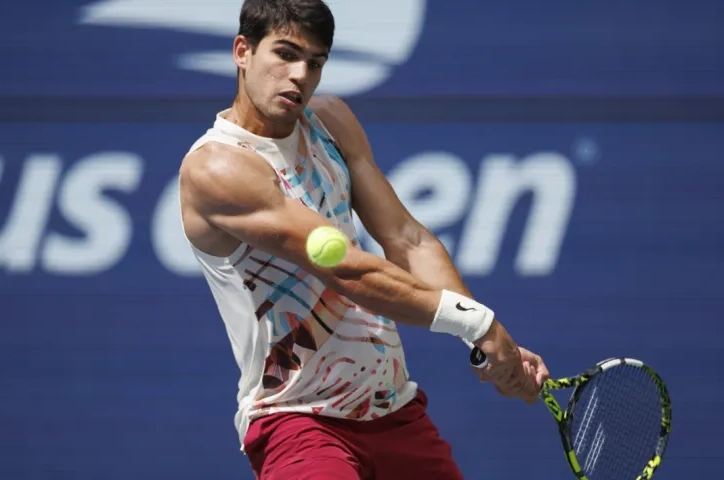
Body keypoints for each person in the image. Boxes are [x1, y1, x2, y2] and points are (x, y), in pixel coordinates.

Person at [177, 1, 551, 478]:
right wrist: (477, 323)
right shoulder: (218, 167)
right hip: (298, 420)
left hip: (394, 410)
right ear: (242, 51)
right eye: (285, 54)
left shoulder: (331, 120)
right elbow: (348, 270)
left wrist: (491, 352)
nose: (300, 76)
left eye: (315, 62)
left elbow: (408, 239)